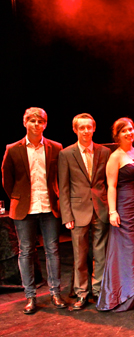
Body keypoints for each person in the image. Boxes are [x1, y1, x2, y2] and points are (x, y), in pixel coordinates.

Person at [1, 107, 66, 314]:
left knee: (52, 250)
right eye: (32, 121)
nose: (36, 125)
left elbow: (59, 176)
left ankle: (55, 292)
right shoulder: (13, 149)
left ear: (45, 124)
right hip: (24, 208)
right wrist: (18, 197)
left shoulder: (55, 147)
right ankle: (30, 296)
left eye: (40, 121)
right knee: (26, 251)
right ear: (25, 123)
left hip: (48, 206)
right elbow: (7, 179)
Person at [97, 117, 134, 311]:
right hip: (125, 206)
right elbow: (110, 186)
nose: (128, 133)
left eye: (130, 129)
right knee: (128, 249)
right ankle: (127, 293)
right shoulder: (115, 157)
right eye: (124, 131)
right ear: (117, 135)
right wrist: (112, 211)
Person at [58, 113, 111, 310]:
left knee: (101, 253)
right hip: (78, 211)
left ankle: (98, 291)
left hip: (100, 208)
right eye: (82, 128)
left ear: (94, 128)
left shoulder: (104, 152)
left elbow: (108, 182)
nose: (86, 131)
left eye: (89, 127)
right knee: (80, 255)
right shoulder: (66, 154)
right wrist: (67, 215)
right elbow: (63, 187)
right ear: (75, 130)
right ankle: (81, 293)